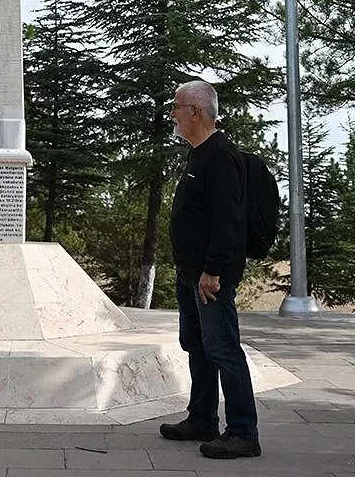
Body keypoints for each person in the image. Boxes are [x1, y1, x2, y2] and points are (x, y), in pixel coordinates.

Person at [158, 79, 261, 459]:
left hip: (209, 277)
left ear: (196, 112)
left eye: (176, 108)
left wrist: (212, 271)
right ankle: (202, 418)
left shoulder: (221, 157)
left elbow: (227, 221)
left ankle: (243, 432)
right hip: (190, 273)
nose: (173, 115)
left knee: (223, 349)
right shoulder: (198, 154)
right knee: (197, 346)